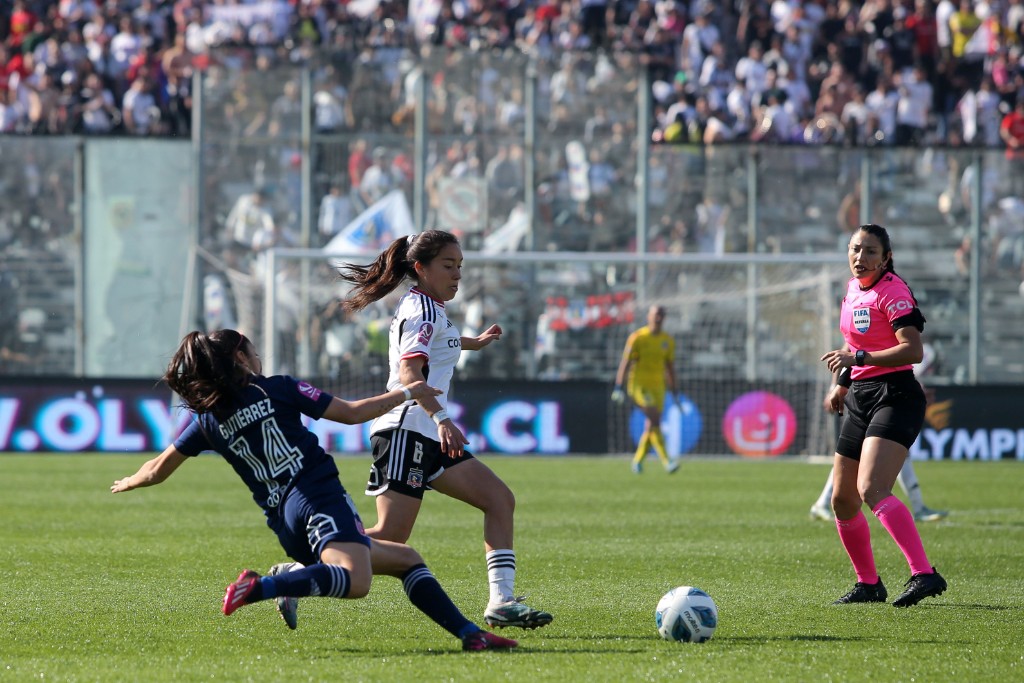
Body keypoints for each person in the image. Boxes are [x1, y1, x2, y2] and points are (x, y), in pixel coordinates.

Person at [110, 329, 518, 652]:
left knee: (407, 559)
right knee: (357, 582)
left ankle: (471, 635)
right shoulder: (279, 388)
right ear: (240, 359)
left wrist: (129, 481)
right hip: (318, 498)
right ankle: (263, 587)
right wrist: (408, 392)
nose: (259, 358)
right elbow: (351, 413)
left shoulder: (208, 421)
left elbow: (157, 470)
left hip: (285, 522)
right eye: (253, 351)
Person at [335, 229, 553, 631]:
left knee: (499, 500)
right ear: (420, 268)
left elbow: (440, 344)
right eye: (448, 266)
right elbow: (409, 372)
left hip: (426, 434)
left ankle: (502, 601)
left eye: (460, 267)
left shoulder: (429, 308)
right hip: (408, 430)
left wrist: (474, 342)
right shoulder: (424, 311)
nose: (457, 275)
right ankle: (295, 570)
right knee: (391, 537)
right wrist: (442, 419)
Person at [819, 224, 947, 608]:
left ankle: (924, 574)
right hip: (860, 395)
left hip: (896, 395)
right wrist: (842, 381)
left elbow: (912, 351)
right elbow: (853, 343)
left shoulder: (893, 291)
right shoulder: (852, 289)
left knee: (872, 489)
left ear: (886, 257)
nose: (862, 258)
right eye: (856, 249)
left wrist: (857, 359)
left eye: (871, 251)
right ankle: (868, 584)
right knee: (842, 500)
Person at [810, 341, 949, 523]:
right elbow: (846, 353)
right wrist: (835, 387)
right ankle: (918, 507)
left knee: (874, 454)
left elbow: (893, 361)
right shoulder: (868, 319)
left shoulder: (894, 325)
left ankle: (918, 506)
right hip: (864, 394)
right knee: (853, 456)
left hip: (881, 392)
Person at [612, 305, 681, 474]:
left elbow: (670, 367)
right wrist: (618, 386)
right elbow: (626, 362)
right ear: (649, 316)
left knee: (651, 424)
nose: (659, 317)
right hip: (639, 386)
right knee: (655, 418)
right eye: (656, 314)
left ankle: (637, 461)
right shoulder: (637, 337)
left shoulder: (668, 341)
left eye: (662, 315)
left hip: (658, 387)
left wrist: (673, 390)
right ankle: (667, 460)